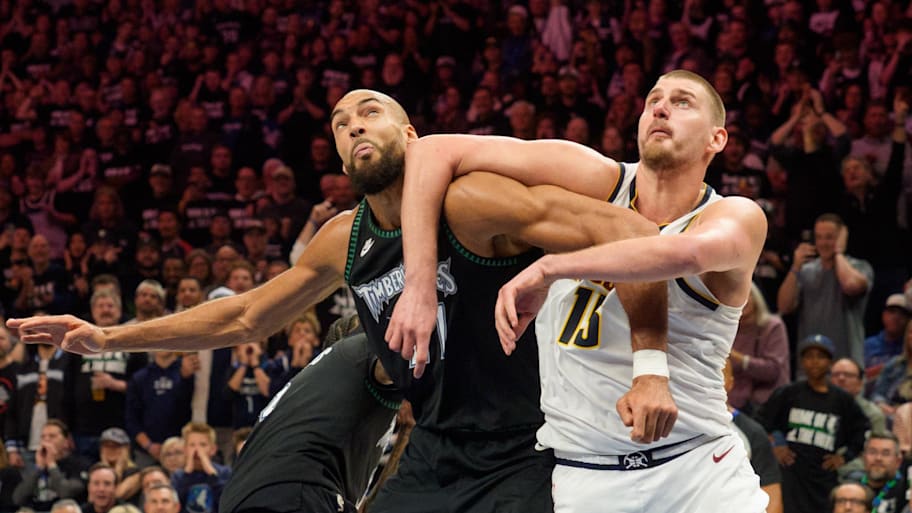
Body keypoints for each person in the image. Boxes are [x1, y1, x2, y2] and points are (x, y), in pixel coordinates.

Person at [7, 88, 665, 513]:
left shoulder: (471, 202)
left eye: (369, 111)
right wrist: (107, 338)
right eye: (340, 124)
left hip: (529, 451)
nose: (353, 126)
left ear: (411, 136)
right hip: (435, 452)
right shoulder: (344, 239)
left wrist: (649, 367)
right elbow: (243, 314)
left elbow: (633, 235)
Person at [389, 69, 769, 511]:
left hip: (697, 472)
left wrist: (551, 267)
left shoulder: (736, 215)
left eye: (683, 102)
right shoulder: (598, 178)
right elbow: (433, 150)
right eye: (653, 101)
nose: (661, 108)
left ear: (716, 139)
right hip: (585, 478)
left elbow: (682, 254)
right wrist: (418, 287)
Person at [220, 317, 402, 513]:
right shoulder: (359, 351)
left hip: (246, 498)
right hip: (293, 494)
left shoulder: (312, 397)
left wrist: (409, 429)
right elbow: (400, 350)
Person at [757, 335, 870, 513]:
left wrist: (844, 457)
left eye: (820, 356)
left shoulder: (842, 400)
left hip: (823, 479)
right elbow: (761, 421)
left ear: (830, 362)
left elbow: (862, 429)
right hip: (791, 475)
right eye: (809, 356)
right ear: (801, 361)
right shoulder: (788, 393)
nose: (814, 362)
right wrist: (776, 444)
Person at [777, 213, 873, 365]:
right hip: (810, 366)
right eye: (819, 237)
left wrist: (839, 252)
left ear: (841, 238)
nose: (823, 243)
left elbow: (850, 285)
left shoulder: (860, 267)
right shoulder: (806, 271)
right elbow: (784, 306)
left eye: (829, 237)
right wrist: (795, 267)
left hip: (846, 366)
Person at [169, 422, 230, 513]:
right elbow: (175, 503)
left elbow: (227, 501)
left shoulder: (224, 472)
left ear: (213, 449)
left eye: (203, 445)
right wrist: (187, 474)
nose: (197, 450)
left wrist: (212, 474)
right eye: (192, 445)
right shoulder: (178, 475)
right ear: (185, 449)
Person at [842, 432, 908, 513]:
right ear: (863, 457)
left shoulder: (906, 488)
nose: (878, 458)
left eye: (885, 453)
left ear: (898, 461)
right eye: (872, 452)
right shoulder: (849, 484)